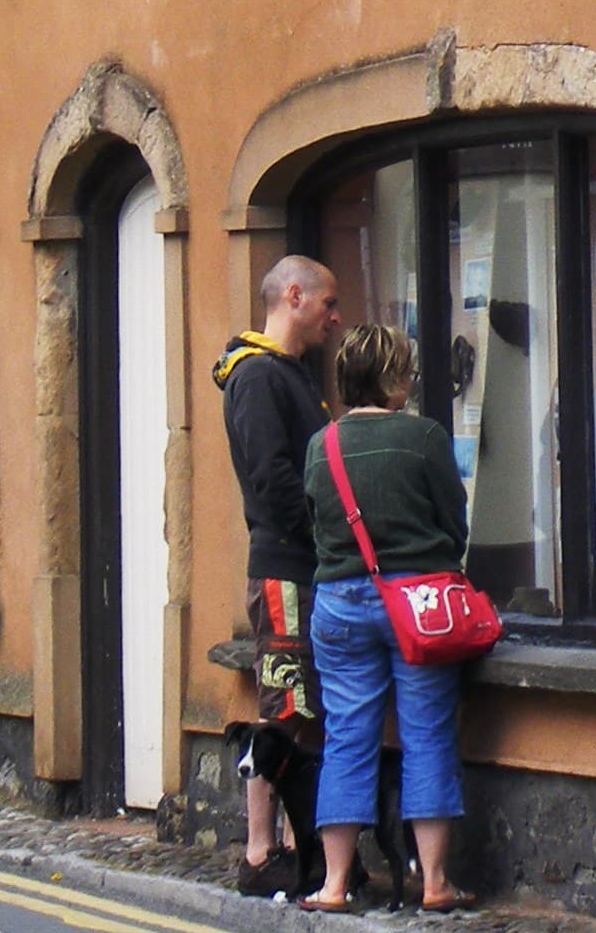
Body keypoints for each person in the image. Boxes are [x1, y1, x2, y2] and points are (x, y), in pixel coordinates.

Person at [299, 320, 474, 916]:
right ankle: (435, 881)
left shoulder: (321, 445)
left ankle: (334, 884)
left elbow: (315, 525)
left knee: (347, 736)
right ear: (394, 378)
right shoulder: (423, 437)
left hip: (338, 602)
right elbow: (454, 521)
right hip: (418, 603)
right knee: (426, 734)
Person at [214, 254, 343, 899]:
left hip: (303, 566)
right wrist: (327, 533)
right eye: (327, 303)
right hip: (286, 568)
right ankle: (261, 852)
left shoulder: (286, 372)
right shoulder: (260, 376)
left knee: (302, 707)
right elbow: (272, 478)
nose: (335, 317)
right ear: (294, 296)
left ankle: (297, 847)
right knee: (284, 707)